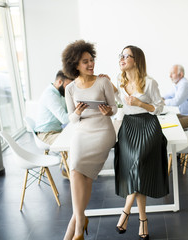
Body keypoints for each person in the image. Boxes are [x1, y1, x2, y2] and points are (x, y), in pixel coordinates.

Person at [62, 40, 117, 240]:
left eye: (91, 60)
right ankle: (79, 223)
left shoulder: (103, 81)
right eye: (85, 61)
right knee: (76, 170)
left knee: (85, 175)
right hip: (81, 131)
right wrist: (77, 112)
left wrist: (108, 111)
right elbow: (71, 119)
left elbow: (115, 107)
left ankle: (76, 230)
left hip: (102, 131)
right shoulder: (70, 88)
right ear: (75, 65)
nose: (90, 64)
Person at [112, 45, 169, 240]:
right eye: (121, 56)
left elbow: (159, 108)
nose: (122, 59)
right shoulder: (119, 83)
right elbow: (119, 107)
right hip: (128, 128)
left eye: (126, 56)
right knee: (138, 172)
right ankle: (143, 221)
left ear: (136, 60)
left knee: (138, 165)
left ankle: (126, 211)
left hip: (148, 127)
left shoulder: (150, 82)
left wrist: (140, 103)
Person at [34, 70, 73, 145]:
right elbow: (64, 119)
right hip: (46, 135)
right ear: (59, 82)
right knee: (75, 140)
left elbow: (68, 111)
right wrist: (78, 112)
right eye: (68, 86)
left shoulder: (60, 94)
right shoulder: (50, 95)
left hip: (56, 131)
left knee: (78, 135)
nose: (69, 89)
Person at [162, 64, 188, 129]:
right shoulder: (178, 85)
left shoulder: (184, 85)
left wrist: (163, 102)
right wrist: (161, 99)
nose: (170, 76)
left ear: (181, 74)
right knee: (167, 119)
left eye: (172, 73)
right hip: (187, 115)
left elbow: (176, 102)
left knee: (170, 125)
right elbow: (169, 95)